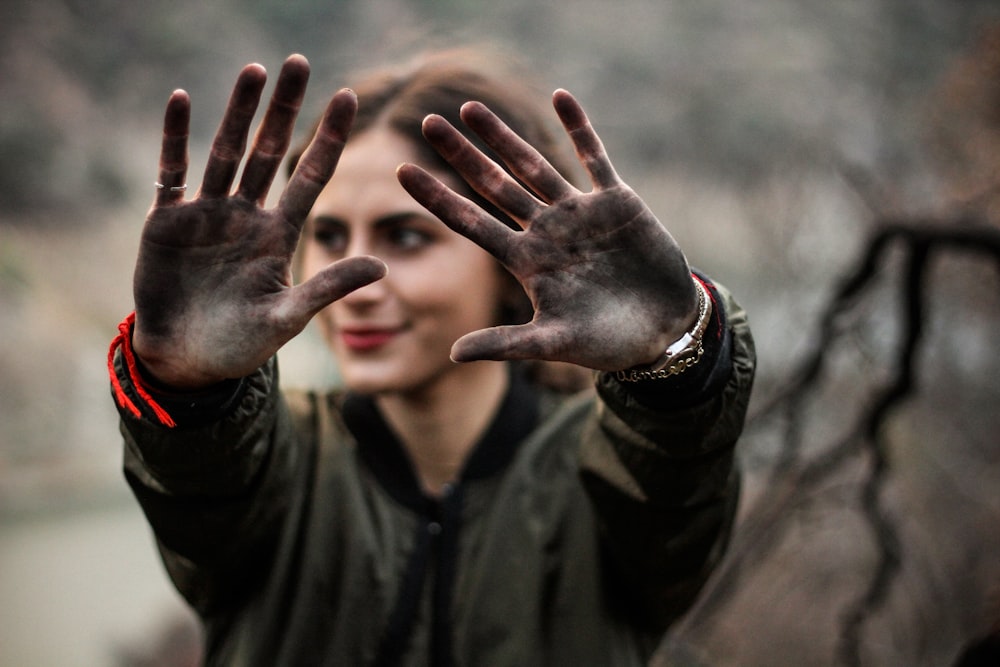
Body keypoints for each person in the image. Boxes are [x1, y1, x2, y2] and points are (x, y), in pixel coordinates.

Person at [108, 49, 755, 666]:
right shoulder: (272, 472)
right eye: (328, 235)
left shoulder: (604, 480)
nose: (355, 281)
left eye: (407, 235)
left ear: (512, 261)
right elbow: (199, 481)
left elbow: (676, 479)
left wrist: (679, 350)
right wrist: (191, 388)